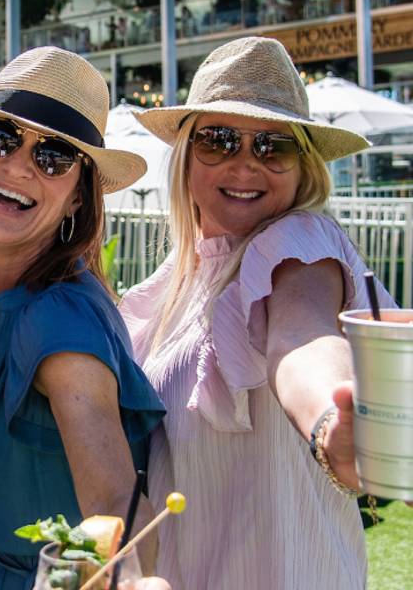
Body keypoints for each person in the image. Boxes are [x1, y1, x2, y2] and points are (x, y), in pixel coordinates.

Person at [120, 36, 383, 589]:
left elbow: (302, 338)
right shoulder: (178, 281)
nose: (245, 164)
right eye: (218, 141)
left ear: (302, 164)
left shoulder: (299, 241)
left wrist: (330, 420)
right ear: (187, 155)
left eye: (273, 146)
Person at [0, 47, 168, 590]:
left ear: (79, 198)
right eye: (0, 137)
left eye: (53, 157)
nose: (17, 165)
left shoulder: (59, 324)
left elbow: (113, 500)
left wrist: (131, 581)